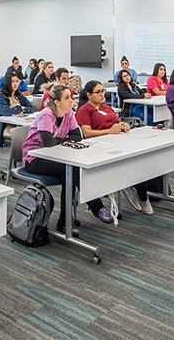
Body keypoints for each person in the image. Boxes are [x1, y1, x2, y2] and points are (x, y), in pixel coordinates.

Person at [22, 84, 113, 236]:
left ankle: (64, 223)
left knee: (69, 175)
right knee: (73, 168)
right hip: (35, 158)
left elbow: (77, 136)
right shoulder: (46, 114)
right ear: (57, 102)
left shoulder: (68, 113)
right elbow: (48, 142)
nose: (71, 100)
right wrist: (64, 138)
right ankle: (96, 207)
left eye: (70, 96)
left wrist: (60, 139)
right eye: (67, 98)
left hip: (57, 156)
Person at [77, 80, 163, 215]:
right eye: (98, 92)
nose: (102, 94)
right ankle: (139, 194)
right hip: (100, 147)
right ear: (89, 95)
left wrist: (123, 126)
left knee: (140, 160)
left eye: (103, 91)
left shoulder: (106, 107)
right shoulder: (84, 110)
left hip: (118, 140)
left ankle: (140, 194)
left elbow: (116, 123)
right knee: (132, 162)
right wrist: (109, 131)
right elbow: (87, 133)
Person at [0, 72, 35, 146]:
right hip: (5, 126)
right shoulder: (0, 97)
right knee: (25, 134)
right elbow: (5, 111)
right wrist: (19, 108)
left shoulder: (18, 95)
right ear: (7, 83)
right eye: (12, 82)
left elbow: (31, 107)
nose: (15, 84)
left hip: (19, 123)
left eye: (17, 81)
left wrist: (24, 110)